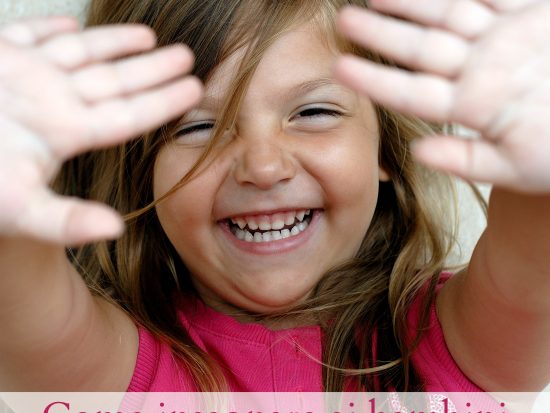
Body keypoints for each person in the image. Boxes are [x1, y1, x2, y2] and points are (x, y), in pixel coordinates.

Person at [0, 0, 549, 394]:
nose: (263, 167)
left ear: (385, 147)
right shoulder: (115, 369)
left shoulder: (452, 341)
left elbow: (528, 271)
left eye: (314, 113)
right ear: (143, 172)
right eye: (197, 128)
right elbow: (31, 314)